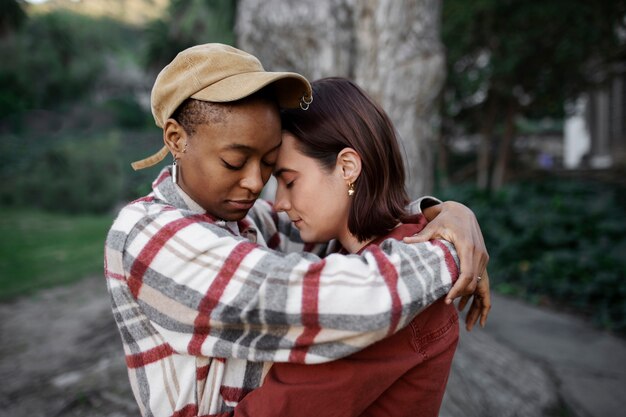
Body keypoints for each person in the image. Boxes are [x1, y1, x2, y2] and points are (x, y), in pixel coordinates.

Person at [104, 43, 490, 417]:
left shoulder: (242, 220)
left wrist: (445, 214)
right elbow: (342, 299)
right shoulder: (151, 234)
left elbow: (355, 224)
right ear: (177, 139)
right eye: (234, 162)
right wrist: (450, 252)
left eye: (270, 164)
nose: (257, 184)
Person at [234, 77, 490, 417]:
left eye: (289, 181)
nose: (280, 202)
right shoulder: (366, 255)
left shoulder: (391, 288)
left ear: (347, 167)